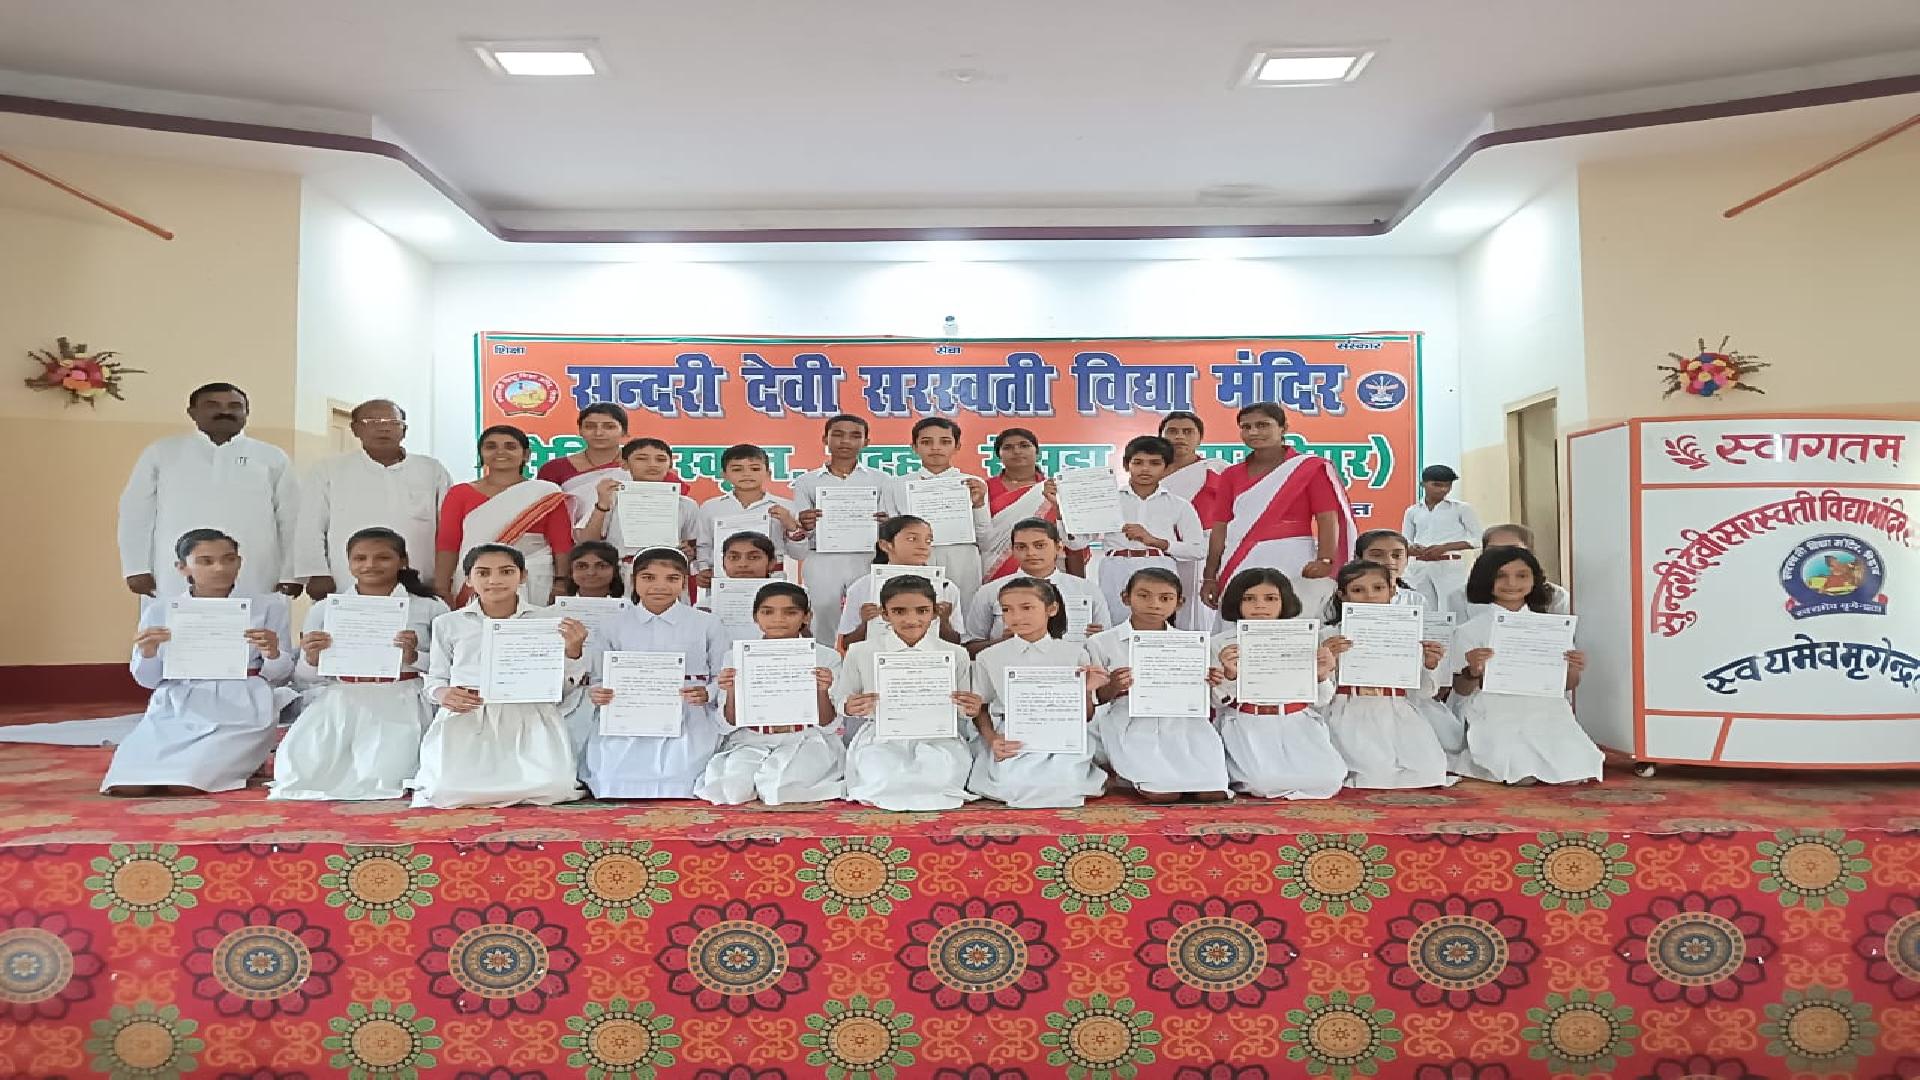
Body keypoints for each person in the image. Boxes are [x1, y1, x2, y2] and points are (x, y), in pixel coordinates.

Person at [104, 529, 293, 795]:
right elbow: (147, 680)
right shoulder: (161, 610)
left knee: (186, 784)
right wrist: (148, 652)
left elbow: (280, 675)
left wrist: (272, 653)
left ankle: (241, 759)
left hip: (242, 707)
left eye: (229, 559)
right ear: (182, 567)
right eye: (206, 561)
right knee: (128, 786)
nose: (220, 568)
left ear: (239, 562)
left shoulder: (268, 608)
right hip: (178, 705)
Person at [274, 528, 448, 800]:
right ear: (348, 563)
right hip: (342, 698)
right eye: (360, 558)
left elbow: (447, 667)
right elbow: (305, 678)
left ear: (403, 561)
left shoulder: (430, 607)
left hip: (401, 699)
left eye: (383, 557)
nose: (370, 565)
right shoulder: (325, 609)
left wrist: (413, 657)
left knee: (386, 776)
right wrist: (312, 658)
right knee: (300, 771)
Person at [414, 544, 587, 807]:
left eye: (506, 572)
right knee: (445, 790)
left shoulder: (549, 621)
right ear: (468, 579)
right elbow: (436, 677)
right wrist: (443, 694)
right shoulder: (448, 623)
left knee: (555, 787)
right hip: (469, 716)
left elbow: (563, 688)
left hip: (530, 716)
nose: (494, 580)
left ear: (523, 576)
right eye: (483, 573)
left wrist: (573, 652)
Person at [118, 383, 301, 600]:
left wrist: (291, 574)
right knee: (175, 620)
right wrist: (135, 567)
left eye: (235, 406)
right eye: (212, 405)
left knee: (256, 620)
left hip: (257, 573)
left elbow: (292, 518)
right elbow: (136, 513)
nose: (225, 412)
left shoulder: (271, 457)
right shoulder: (162, 452)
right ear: (192, 412)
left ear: (247, 412)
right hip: (172, 574)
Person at [584, 548, 731, 799]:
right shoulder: (612, 625)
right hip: (627, 714)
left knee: (686, 771)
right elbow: (598, 678)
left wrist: (707, 693)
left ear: (684, 583)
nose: (660, 586)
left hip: (688, 714)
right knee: (612, 772)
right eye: (648, 577)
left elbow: (723, 673)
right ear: (634, 580)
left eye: (672, 578)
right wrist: (598, 693)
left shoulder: (707, 623)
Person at [1449, 546, 1602, 785]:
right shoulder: (1469, 630)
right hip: (1494, 708)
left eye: (1522, 575)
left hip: (1545, 708)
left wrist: (1574, 667)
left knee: (1573, 772)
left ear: (1534, 580)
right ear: (1485, 580)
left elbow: (1568, 684)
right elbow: (1460, 689)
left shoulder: (1551, 628)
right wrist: (1473, 671)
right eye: (1501, 576)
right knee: (1518, 771)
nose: (1512, 583)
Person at [835, 575, 978, 810]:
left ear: (935, 613)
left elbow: (963, 709)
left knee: (938, 776)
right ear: (884, 614)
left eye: (922, 611)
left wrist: (969, 708)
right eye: (899, 611)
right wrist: (851, 706)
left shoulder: (955, 653)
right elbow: (841, 699)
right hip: (881, 737)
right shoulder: (861, 651)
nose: (911, 620)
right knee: (883, 776)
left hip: (937, 737)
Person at [697, 582, 846, 806]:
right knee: (731, 791)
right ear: (755, 617)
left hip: (804, 739)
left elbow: (829, 724)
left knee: (777, 789)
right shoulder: (736, 657)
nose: (778, 619)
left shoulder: (825, 657)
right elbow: (728, 723)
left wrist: (821, 691)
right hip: (752, 739)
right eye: (768, 612)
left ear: (807, 617)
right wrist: (732, 691)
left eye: (790, 612)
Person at [965, 577, 1108, 807]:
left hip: (1062, 734)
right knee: (1013, 783)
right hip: (1012, 735)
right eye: (1007, 610)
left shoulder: (1074, 654)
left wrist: (1087, 689)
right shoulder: (990, 656)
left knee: (1066, 781)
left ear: (1051, 609)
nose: (1016, 616)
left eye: (1027, 608)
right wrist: (993, 740)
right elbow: (981, 706)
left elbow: (1087, 715)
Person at [1089, 568, 1229, 802]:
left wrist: (1211, 681)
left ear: (1179, 603)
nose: (1154, 604)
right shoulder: (1101, 643)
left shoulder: (1191, 643)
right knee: (1163, 793)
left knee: (1212, 792)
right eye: (1143, 596)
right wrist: (1113, 686)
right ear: (1125, 597)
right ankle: (1136, 777)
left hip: (1185, 722)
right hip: (1132, 721)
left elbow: (1210, 698)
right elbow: (1095, 699)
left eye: (1165, 598)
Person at [1202, 403, 1354, 619]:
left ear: (1283, 428)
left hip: (1293, 556)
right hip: (1238, 558)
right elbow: (1220, 527)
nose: (1254, 432)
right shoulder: (1230, 474)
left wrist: (1325, 559)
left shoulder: (1309, 468)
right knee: (1238, 619)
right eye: (1246, 427)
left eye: (1263, 425)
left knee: (1292, 618)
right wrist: (1210, 576)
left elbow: (1327, 517)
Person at [294, 399, 451, 602]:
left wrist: (444, 579)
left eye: (392, 422)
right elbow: (310, 525)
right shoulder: (329, 470)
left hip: (418, 581)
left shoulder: (431, 470)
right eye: (373, 422)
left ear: (404, 430)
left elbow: (449, 526)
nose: (384, 428)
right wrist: (316, 572)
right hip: (346, 582)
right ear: (355, 429)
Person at [1211, 567, 1342, 800]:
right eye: (1249, 599)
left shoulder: (1304, 639)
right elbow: (1216, 702)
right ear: (1236, 602)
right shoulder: (1220, 644)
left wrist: (1321, 675)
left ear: (1285, 601)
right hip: (1248, 722)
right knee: (1264, 783)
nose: (1260, 606)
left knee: (1329, 780)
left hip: (1296, 722)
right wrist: (1230, 675)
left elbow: (1322, 700)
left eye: (1270, 599)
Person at [1320, 560, 1451, 790]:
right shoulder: (1329, 636)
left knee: (1430, 771)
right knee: (1372, 772)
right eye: (1358, 590)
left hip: (1397, 710)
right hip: (1349, 709)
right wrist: (1328, 661)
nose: (1369, 596)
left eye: (1378, 588)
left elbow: (1424, 692)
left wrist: (1429, 664)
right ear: (1343, 595)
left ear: (1391, 591)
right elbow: (1320, 693)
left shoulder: (1411, 631)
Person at [1061, 435, 1206, 624]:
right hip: (1115, 567)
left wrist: (1155, 542)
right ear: (1125, 465)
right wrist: (1061, 513)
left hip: (1160, 568)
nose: (1145, 469)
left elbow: (1198, 550)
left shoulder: (1179, 505)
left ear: (1168, 468)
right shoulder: (1107, 500)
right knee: (1114, 625)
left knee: (1156, 624)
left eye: (1154, 463)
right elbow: (1076, 543)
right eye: (1138, 462)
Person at [435, 425, 576, 605]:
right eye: (491, 446)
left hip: (534, 579)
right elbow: (448, 544)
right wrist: (441, 587)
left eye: (510, 446)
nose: (500, 452)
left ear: (526, 455)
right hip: (478, 579)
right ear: (481, 453)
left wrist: (562, 582)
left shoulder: (545, 493)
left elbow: (561, 543)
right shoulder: (459, 493)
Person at [789, 414, 894, 642]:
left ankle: (864, 658)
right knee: (822, 613)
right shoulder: (806, 482)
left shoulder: (882, 480)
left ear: (866, 442)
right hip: (822, 557)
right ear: (824, 439)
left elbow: (892, 524)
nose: (845, 441)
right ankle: (825, 659)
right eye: (837, 435)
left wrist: (887, 524)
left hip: (867, 556)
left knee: (870, 612)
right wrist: (805, 524)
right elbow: (799, 529)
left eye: (855, 436)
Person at [964, 518, 1110, 651]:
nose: (1031, 553)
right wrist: (1002, 642)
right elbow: (970, 647)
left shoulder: (1086, 590)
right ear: (1012, 550)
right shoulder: (990, 591)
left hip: (1072, 668)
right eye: (1021, 547)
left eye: (1040, 545)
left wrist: (1098, 639)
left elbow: (1107, 644)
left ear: (1058, 547)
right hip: (1011, 667)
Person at [573, 437, 701, 588]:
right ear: (624, 464)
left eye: (660, 459)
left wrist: (690, 552)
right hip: (621, 575)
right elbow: (587, 543)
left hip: (667, 575)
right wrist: (602, 505)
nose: (652, 464)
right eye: (642, 458)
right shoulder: (610, 498)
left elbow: (694, 546)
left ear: (671, 464)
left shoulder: (686, 504)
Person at [890, 417, 990, 606]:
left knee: (963, 610)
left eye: (944, 442)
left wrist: (979, 504)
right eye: (926, 442)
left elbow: (984, 536)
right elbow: (891, 534)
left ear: (957, 446)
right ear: (914, 447)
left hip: (961, 558)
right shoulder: (897, 485)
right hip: (914, 559)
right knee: (914, 608)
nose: (935, 448)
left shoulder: (973, 484)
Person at [838, 515, 964, 647]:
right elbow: (847, 644)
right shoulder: (862, 587)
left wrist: (944, 621)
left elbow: (956, 643)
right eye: (912, 539)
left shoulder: (947, 588)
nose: (923, 546)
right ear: (885, 545)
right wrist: (864, 624)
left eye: (928, 541)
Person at [1156, 411, 1230, 631]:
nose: (1180, 437)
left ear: (1200, 438)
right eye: (1172, 431)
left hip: (1203, 552)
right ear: (1161, 436)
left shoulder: (1218, 469)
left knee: (1197, 612)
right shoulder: (1148, 473)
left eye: (1188, 432)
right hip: (1158, 552)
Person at [692, 444, 798, 585]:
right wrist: (703, 569)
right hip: (722, 581)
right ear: (724, 475)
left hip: (772, 582)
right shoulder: (711, 507)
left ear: (768, 473)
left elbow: (799, 553)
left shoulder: (786, 507)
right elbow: (704, 546)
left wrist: (791, 526)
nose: (746, 474)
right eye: (737, 469)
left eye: (755, 469)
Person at [1442, 523, 1572, 621]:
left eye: (1513, 549)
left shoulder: (1557, 597)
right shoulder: (1459, 597)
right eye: (1494, 551)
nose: (1504, 557)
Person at [979, 428, 1056, 582]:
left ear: (1037, 452)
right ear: (999, 455)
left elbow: (1070, 538)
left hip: (1043, 569)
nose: (1017, 451)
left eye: (1024, 445)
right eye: (1008, 447)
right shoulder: (983, 489)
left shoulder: (1055, 488)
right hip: (993, 569)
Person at [1402, 465, 1484, 602]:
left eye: (1447, 485)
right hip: (1419, 567)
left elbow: (1478, 539)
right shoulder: (1413, 511)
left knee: (1452, 607)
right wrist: (1414, 548)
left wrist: (1445, 547)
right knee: (1422, 606)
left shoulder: (1461, 509)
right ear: (1423, 484)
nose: (1443, 489)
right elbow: (1406, 540)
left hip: (1449, 566)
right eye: (1437, 485)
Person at [538, 403, 632, 520]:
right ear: (580, 431)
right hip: (572, 531)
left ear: (624, 431)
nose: (598, 433)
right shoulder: (554, 469)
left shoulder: (638, 465)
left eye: (609, 427)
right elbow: (544, 514)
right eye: (590, 427)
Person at [1355, 528, 1441, 612]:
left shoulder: (1416, 600)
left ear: (1407, 560)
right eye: (1377, 555)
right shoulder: (1350, 596)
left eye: (1397, 555)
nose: (1389, 561)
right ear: (1358, 559)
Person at [558, 541, 625, 599]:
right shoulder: (556, 609)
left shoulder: (629, 608)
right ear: (571, 572)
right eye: (581, 566)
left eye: (601, 566)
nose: (591, 573)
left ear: (615, 570)